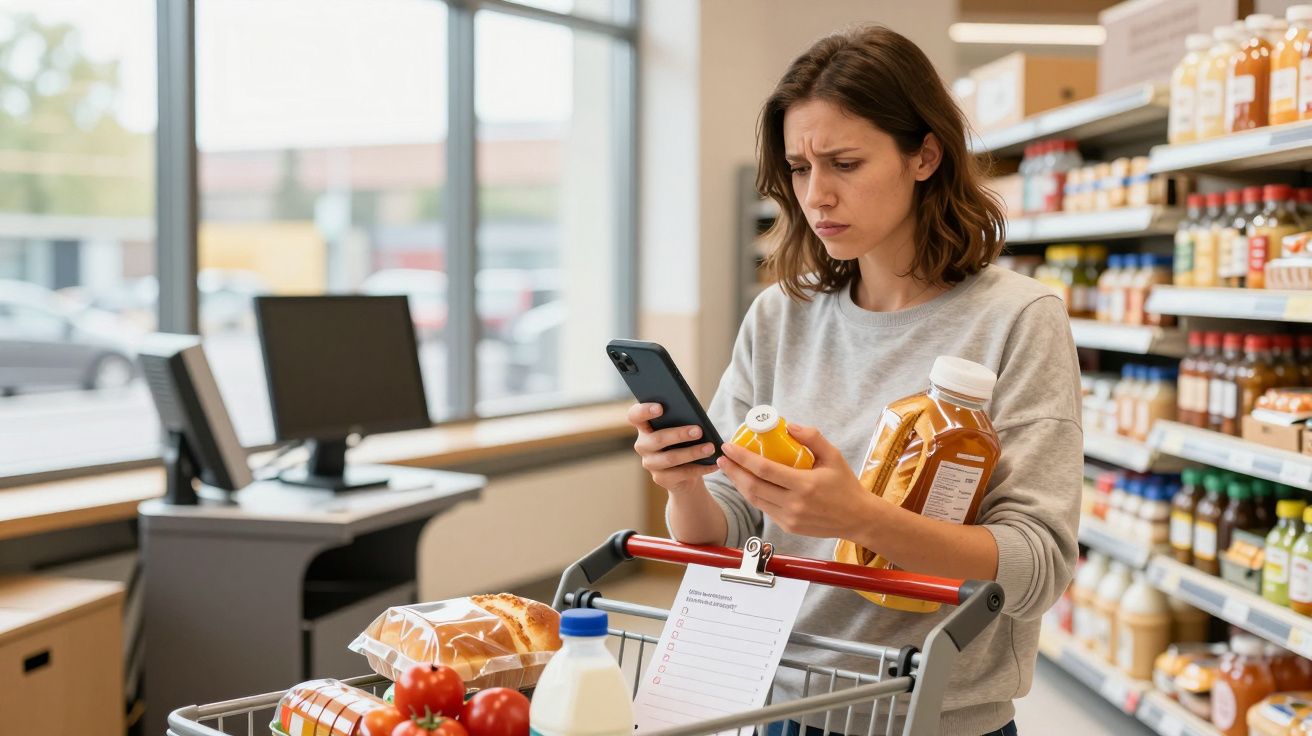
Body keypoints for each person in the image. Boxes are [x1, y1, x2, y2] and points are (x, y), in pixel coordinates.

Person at [625, 24, 1081, 736]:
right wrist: (683, 484)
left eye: (844, 163)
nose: (817, 195)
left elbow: (1037, 568)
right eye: (800, 169)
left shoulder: (1018, 320)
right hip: (781, 702)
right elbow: (722, 532)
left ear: (924, 154)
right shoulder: (780, 315)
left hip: (934, 715)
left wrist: (863, 520)